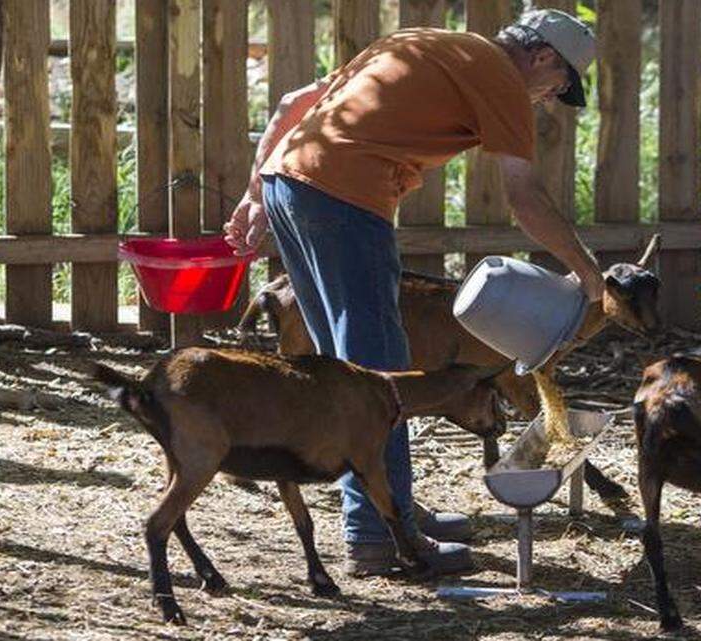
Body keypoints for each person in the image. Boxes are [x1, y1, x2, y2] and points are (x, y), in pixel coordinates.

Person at [224, 9, 605, 577]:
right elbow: (524, 199)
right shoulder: (500, 76)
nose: (550, 99)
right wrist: (589, 276)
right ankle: (381, 537)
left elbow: (292, 105)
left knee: (342, 369)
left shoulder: (428, 42)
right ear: (544, 57)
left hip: (290, 184)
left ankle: (390, 506)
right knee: (379, 374)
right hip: (343, 198)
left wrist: (256, 194)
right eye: (558, 87)